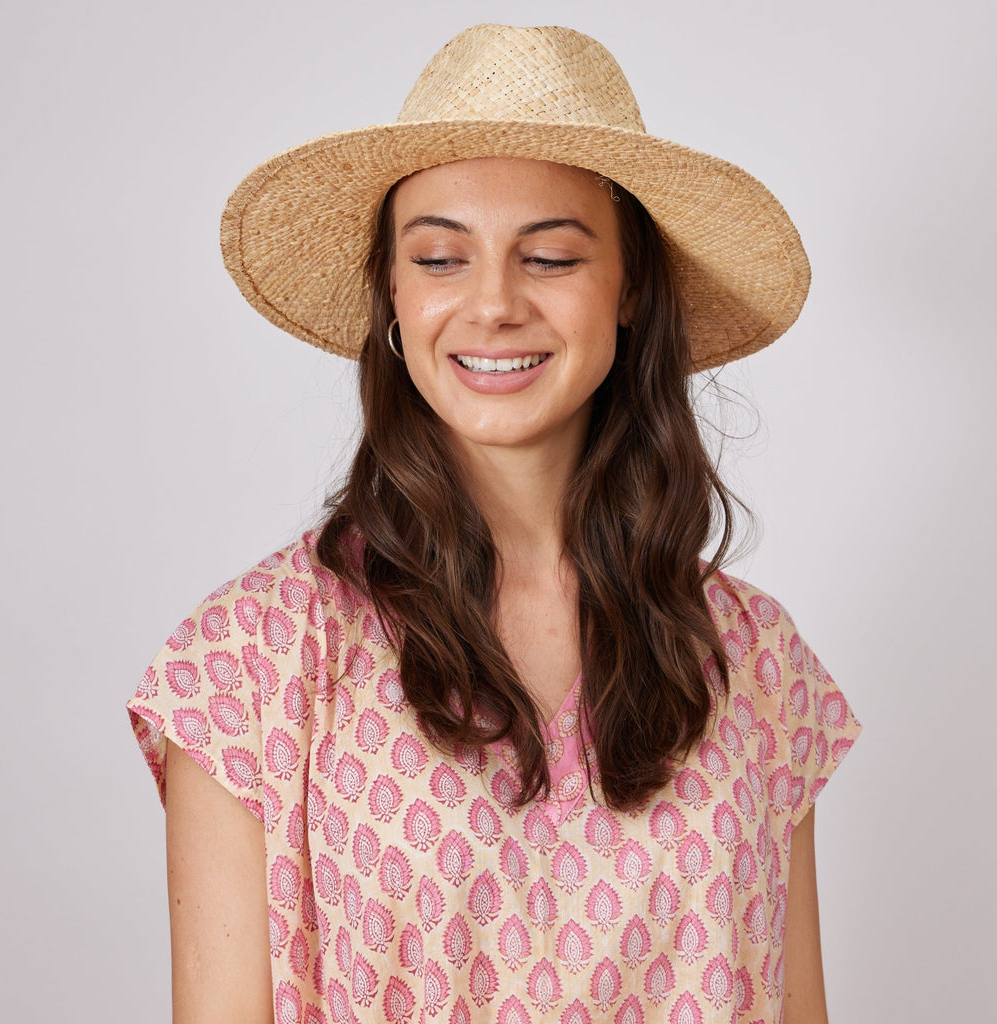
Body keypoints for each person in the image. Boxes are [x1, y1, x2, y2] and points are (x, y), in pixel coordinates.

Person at [129, 23, 860, 1024]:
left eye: (549, 257)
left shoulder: (758, 664)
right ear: (393, 292)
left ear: (630, 288)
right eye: (440, 258)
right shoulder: (247, 663)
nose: (493, 304)